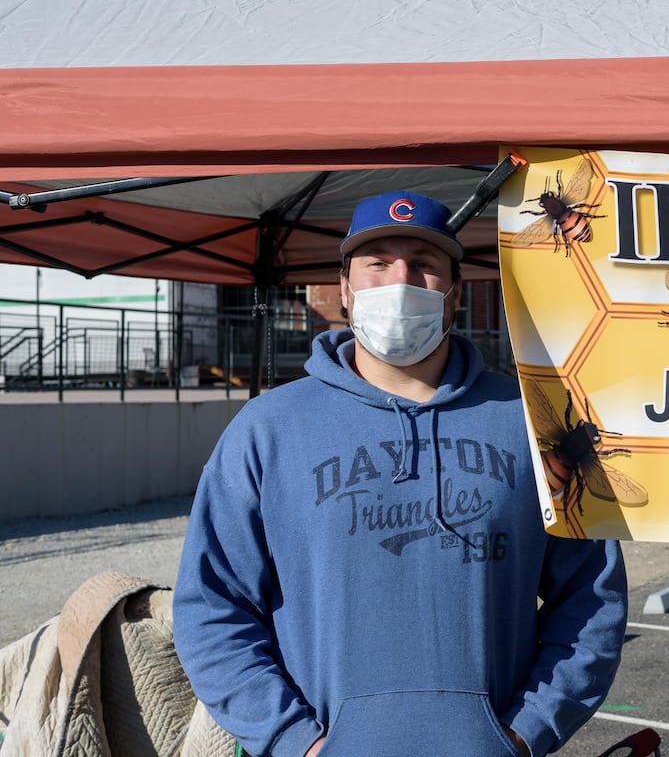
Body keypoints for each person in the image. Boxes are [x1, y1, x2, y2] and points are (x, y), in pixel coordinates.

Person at [173, 190, 627, 757]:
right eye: (379, 263)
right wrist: (295, 742)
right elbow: (211, 607)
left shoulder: (532, 423)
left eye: (425, 266)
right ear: (344, 288)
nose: (401, 282)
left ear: (455, 293)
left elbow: (592, 596)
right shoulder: (268, 430)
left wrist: (526, 730)